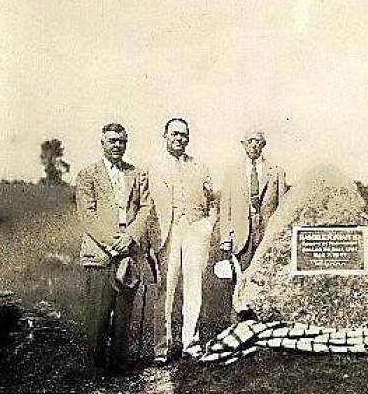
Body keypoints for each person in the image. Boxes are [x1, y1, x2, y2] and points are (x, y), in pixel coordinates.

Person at [75, 123, 153, 375]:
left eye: (122, 141)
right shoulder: (88, 175)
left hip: (128, 252)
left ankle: (120, 364)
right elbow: (88, 215)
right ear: (102, 142)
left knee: (123, 313)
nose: (117, 145)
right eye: (112, 141)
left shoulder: (137, 174)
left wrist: (129, 237)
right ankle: (96, 367)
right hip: (99, 252)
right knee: (97, 314)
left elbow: (145, 208)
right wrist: (112, 243)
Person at [147, 118, 215, 363]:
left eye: (184, 135)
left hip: (195, 229)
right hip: (168, 232)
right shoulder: (152, 167)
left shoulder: (200, 166)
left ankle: (191, 342)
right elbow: (145, 205)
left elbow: (212, 200)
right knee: (165, 289)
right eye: (174, 134)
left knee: (194, 287)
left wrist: (208, 225)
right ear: (164, 135)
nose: (179, 138)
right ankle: (161, 348)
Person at [217, 129, 287, 271]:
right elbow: (225, 210)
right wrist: (225, 239)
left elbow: (282, 209)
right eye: (250, 141)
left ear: (264, 145)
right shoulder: (232, 173)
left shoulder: (276, 172)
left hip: (266, 237)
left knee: (265, 278)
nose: (254, 145)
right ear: (243, 144)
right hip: (241, 238)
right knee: (239, 279)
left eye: (258, 142)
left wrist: (279, 237)